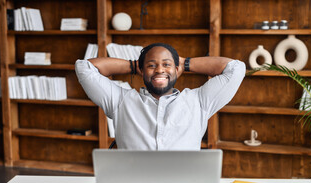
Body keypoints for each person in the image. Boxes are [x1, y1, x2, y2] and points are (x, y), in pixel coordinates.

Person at [75, 43, 245, 150]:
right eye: (151, 65)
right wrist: (135, 65)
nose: (159, 70)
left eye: (166, 64)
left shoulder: (199, 101)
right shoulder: (120, 101)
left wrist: (184, 63)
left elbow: (236, 69)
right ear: (141, 70)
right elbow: (84, 67)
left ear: (177, 69)